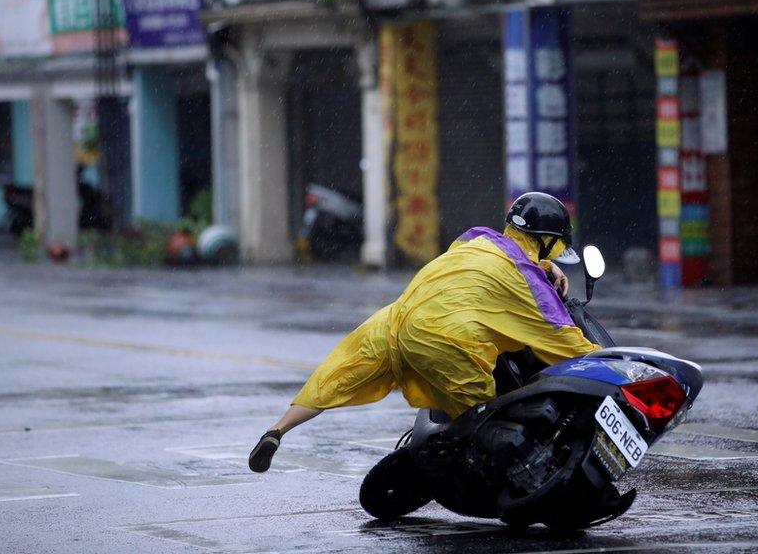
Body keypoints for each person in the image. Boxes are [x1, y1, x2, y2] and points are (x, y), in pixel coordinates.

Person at [249, 192, 599, 472]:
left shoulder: (476, 240)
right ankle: (487, 476)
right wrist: (621, 368)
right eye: (552, 248)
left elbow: (511, 260)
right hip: (446, 338)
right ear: (545, 240)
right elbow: (563, 339)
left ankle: (277, 430)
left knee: (337, 377)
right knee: (482, 416)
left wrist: (543, 266)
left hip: (396, 320)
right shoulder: (528, 284)